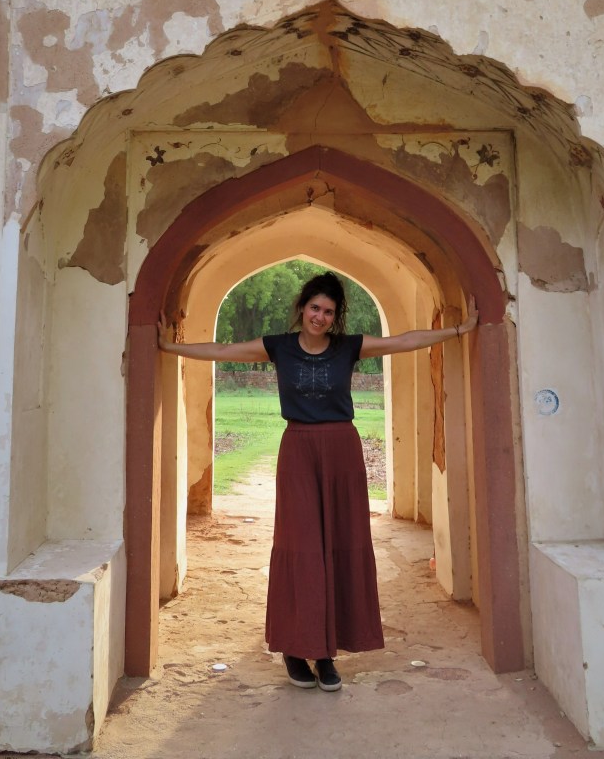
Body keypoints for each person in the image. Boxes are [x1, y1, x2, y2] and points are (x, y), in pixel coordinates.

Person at [157, 271, 478, 692]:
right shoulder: (279, 347)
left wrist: (458, 329)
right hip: (299, 449)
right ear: (302, 308)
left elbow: (402, 341)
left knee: (339, 545)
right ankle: (295, 646)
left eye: (328, 311)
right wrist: (169, 345)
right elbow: (221, 349)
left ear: (335, 316)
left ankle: (326, 653)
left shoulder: (349, 347)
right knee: (301, 546)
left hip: (342, 450)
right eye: (314, 308)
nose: (320, 317)